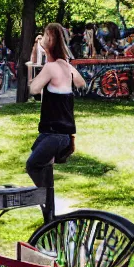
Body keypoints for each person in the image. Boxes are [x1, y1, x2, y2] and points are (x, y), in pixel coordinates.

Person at [26, 23, 86, 213]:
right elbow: (81, 83)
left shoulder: (51, 67)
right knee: (38, 154)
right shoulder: (66, 66)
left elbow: (33, 89)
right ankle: (49, 210)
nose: (41, 38)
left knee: (33, 165)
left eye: (44, 35)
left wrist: (34, 63)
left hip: (56, 134)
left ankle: (50, 204)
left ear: (50, 40)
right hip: (57, 134)